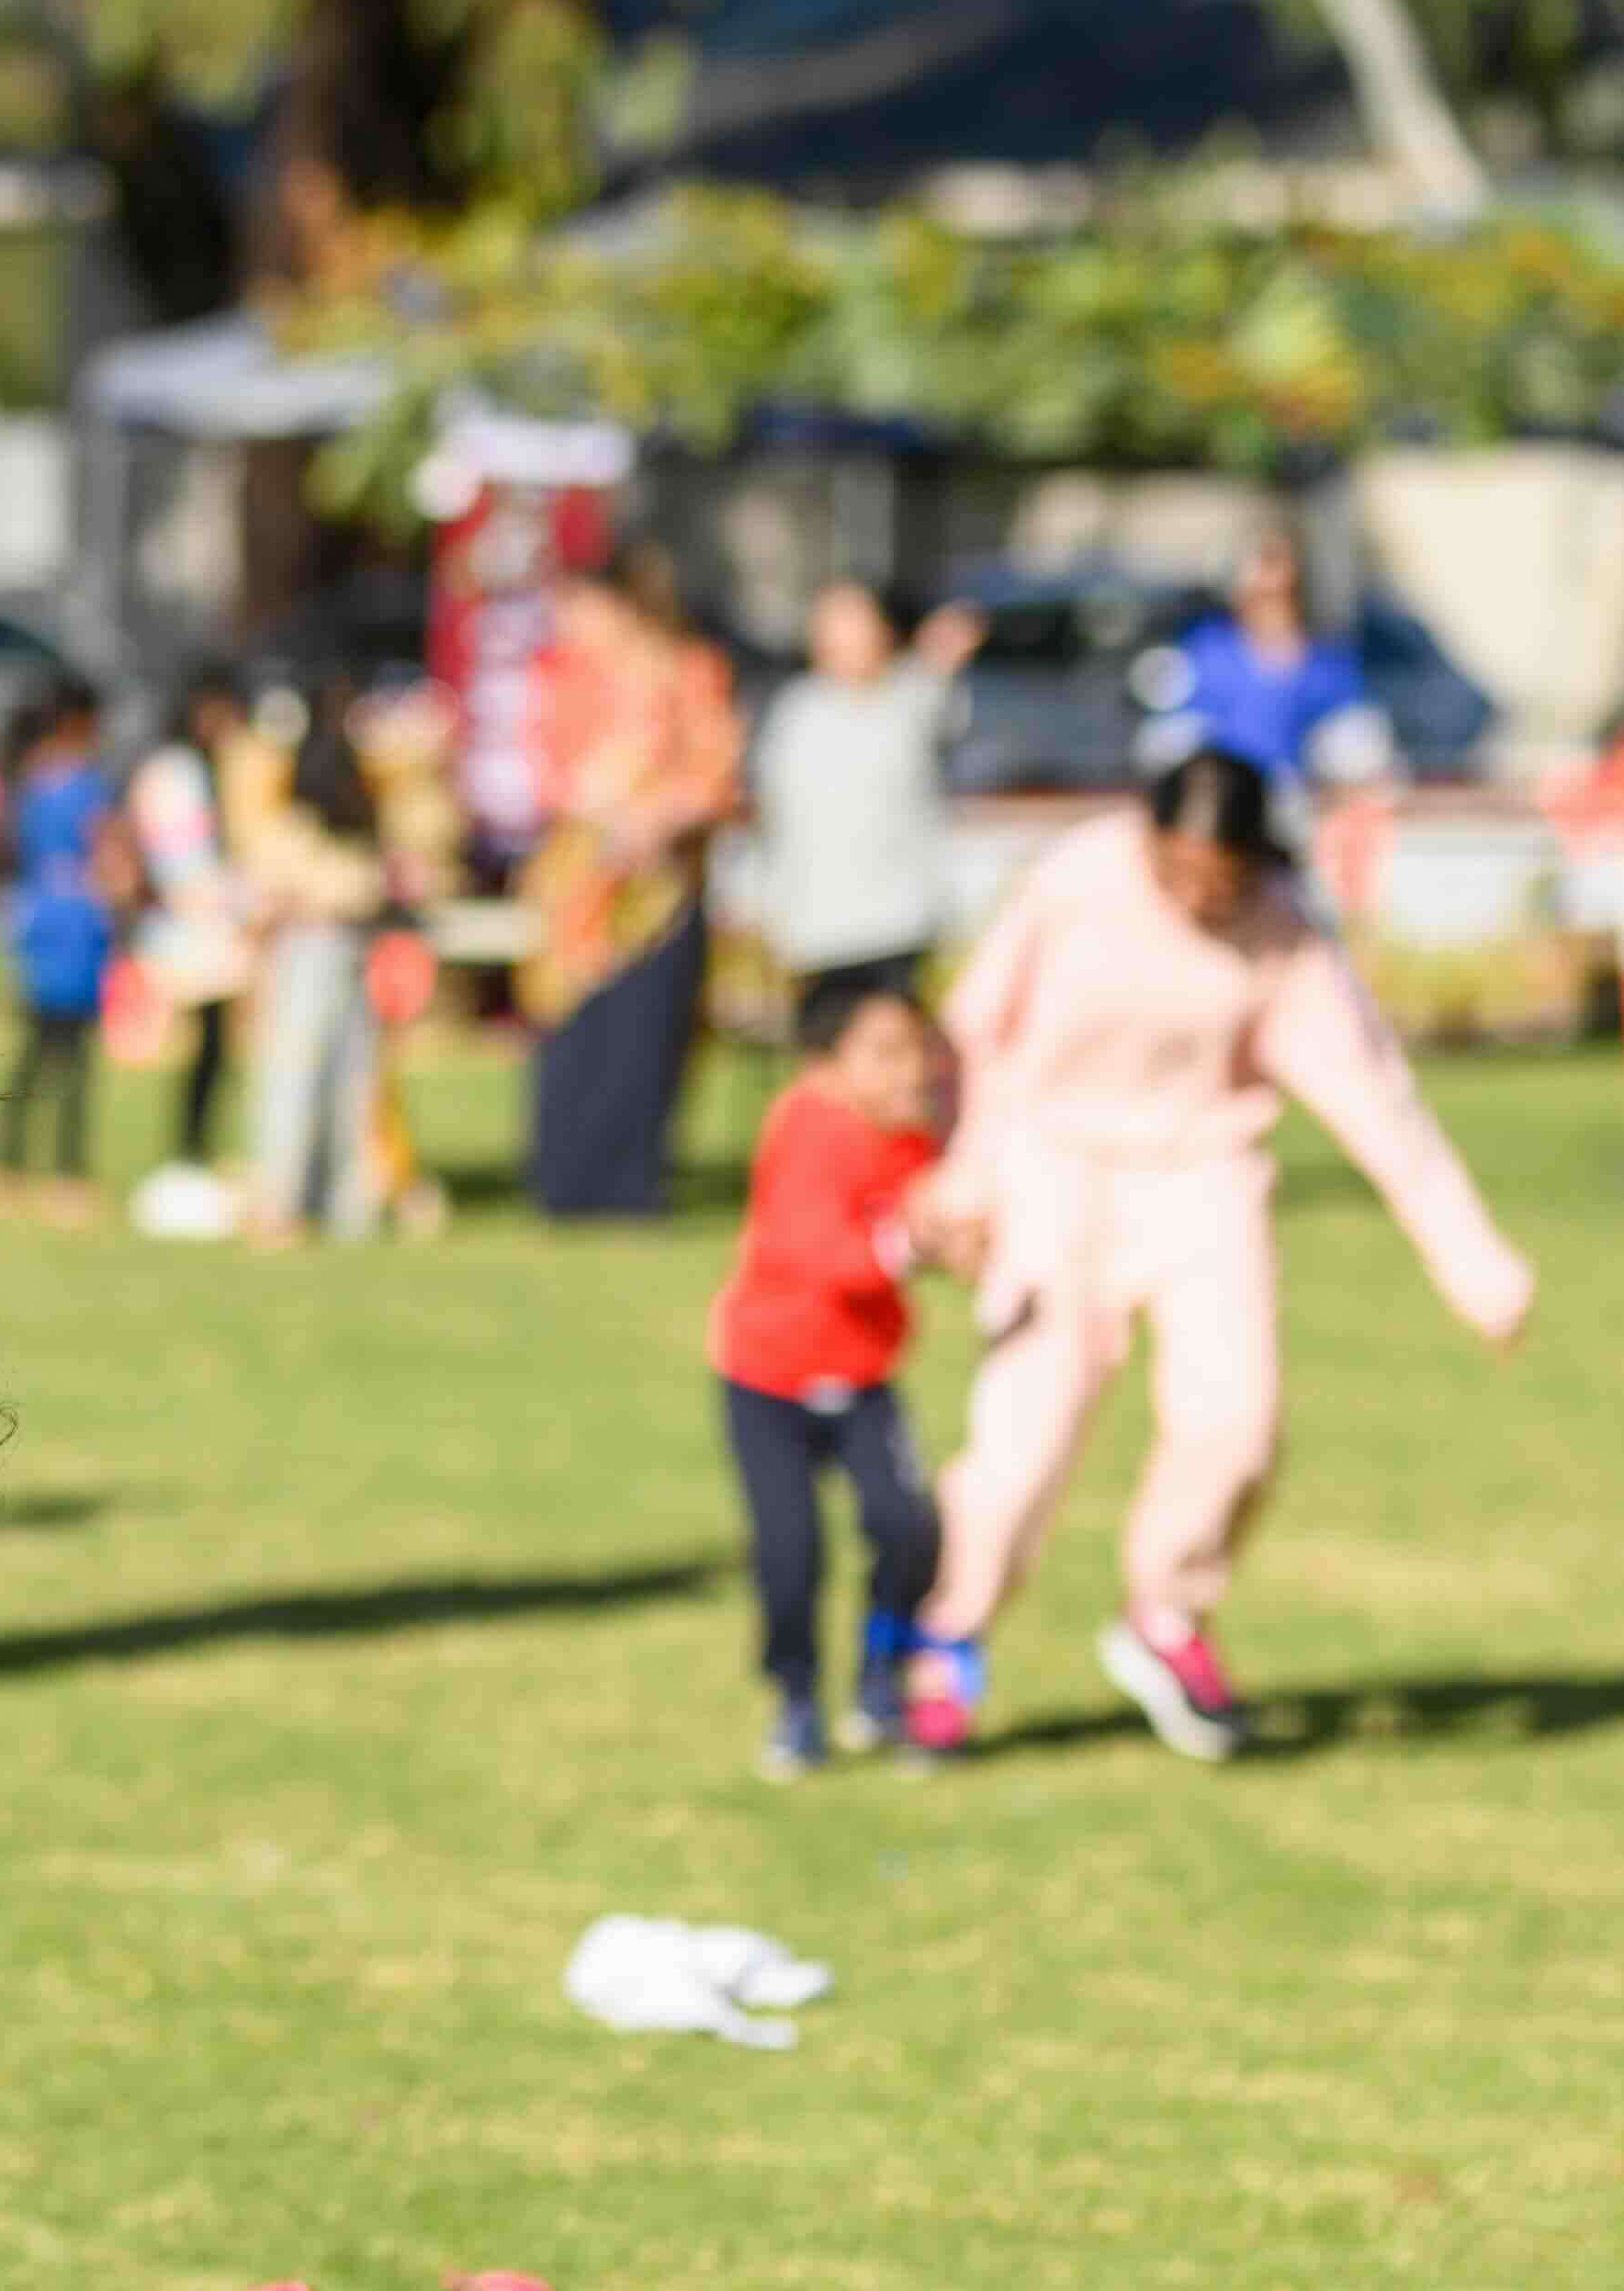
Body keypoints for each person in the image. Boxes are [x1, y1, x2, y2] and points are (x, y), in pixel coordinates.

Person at [899, 750, 1530, 1766]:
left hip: (1201, 1173)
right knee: (1025, 1440)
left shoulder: (1281, 931)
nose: (1197, 896)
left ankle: (1167, 1613)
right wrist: (961, 1184)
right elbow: (978, 1037)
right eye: (1177, 869)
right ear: (1146, 839)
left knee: (1236, 1423)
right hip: (1051, 1168)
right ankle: (947, 1639)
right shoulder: (1076, 882)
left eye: (1219, 879)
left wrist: (1476, 1263)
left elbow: (1374, 1096)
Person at [710, 985, 963, 1780]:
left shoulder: (917, 1138)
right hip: (767, 1381)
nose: (909, 1070)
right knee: (791, 1555)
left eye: (916, 1049)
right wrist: (908, 1248)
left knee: (908, 1529)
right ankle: (794, 1702)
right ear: (827, 1064)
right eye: (885, 1052)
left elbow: (940, 1218)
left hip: (863, 1380)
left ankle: (881, 1674)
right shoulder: (803, 1128)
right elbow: (815, 1250)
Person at [519, 562, 741, 1217]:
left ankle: (631, 1184)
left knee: (644, 1039)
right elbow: (549, 775)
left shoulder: (689, 670)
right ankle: (565, 1184)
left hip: (660, 887)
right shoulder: (561, 677)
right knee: (572, 1035)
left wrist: (661, 816)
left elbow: (715, 773)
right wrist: (605, 813)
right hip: (579, 884)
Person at [752, 581, 982, 1036]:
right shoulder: (796, 712)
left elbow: (937, 700)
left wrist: (940, 657)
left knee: (894, 1049)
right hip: (816, 927)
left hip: (898, 920)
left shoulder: (909, 697)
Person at [233, 678, 395, 1246]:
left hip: (324, 954)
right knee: (326, 1082)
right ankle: (300, 1202)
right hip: (324, 952)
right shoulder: (339, 829)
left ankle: (316, 1202)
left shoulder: (304, 829)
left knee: (322, 1082)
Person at [0, 684, 122, 1211]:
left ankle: (11, 1160)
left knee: (33, 1049)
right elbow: (111, 855)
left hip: (39, 921)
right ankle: (67, 1169)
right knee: (74, 1059)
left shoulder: (30, 784)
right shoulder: (89, 789)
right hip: (77, 925)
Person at [122, 671, 255, 1169]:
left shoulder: (192, 769)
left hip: (203, 927)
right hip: (192, 932)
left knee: (215, 1049)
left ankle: (195, 1149)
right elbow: (182, 865)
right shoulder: (176, 773)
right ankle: (188, 1151)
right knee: (205, 1047)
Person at [1169, 525, 1372, 786]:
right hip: (1226, 799)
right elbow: (1178, 733)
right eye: (1257, 563)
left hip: (1298, 800)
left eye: (1273, 561)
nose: (1264, 580)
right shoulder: (1205, 651)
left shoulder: (1327, 661)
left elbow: (1351, 740)